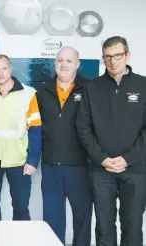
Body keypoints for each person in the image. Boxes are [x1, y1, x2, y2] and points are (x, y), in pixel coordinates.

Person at [77, 36, 146, 246]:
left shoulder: (143, 85)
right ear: (103, 59)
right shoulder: (92, 88)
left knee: (133, 226)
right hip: (101, 170)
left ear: (128, 55)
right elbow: (83, 127)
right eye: (108, 57)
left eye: (118, 55)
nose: (113, 61)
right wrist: (102, 158)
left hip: (135, 169)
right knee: (104, 227)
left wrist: (127, 158)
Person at [37, 46, 92, 245]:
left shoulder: (90, 89)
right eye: (60, 60)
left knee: (83, 217)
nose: (64, 64)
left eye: (69, 61)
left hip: (81, 166)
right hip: (51, 165)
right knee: (52, 219)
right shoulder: (43, 90)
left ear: (78, 64)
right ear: (55, 63)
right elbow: (35, 127)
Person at [0, 54, 42, 221]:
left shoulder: (29, 94)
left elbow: (35, 129)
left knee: (21, 208)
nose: (1, 73)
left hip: (19, 161)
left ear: (11, 68)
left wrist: (33, 160)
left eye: (4, 68)